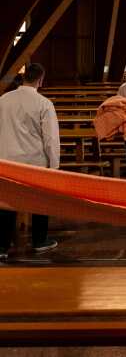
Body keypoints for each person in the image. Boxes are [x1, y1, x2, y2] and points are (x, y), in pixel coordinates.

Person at [0, 63, 59, 258]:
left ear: (24, 77)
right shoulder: (44, 103)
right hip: (34, 161)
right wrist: (54, 166)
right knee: (40, 201)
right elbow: (50, 138)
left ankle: (2, 246)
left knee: (6, 202)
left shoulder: (3, 100)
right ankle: (39, 241)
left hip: (7, 160)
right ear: (40, 79)